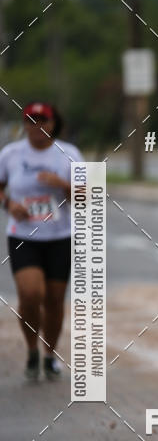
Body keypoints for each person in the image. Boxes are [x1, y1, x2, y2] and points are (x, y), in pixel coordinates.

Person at [0, 102, 83, 380]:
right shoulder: (11, 154)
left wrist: (62, 185)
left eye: (42, 121)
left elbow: (87, 196)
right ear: (24, 125)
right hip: (24, 236)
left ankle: (49, 355)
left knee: (55, 300)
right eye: (30, 121)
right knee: (30, 293)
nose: (37, 127)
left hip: (59, 236)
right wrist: (9, 203)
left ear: (52, 123)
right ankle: (32, 349)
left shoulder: (69, 154)